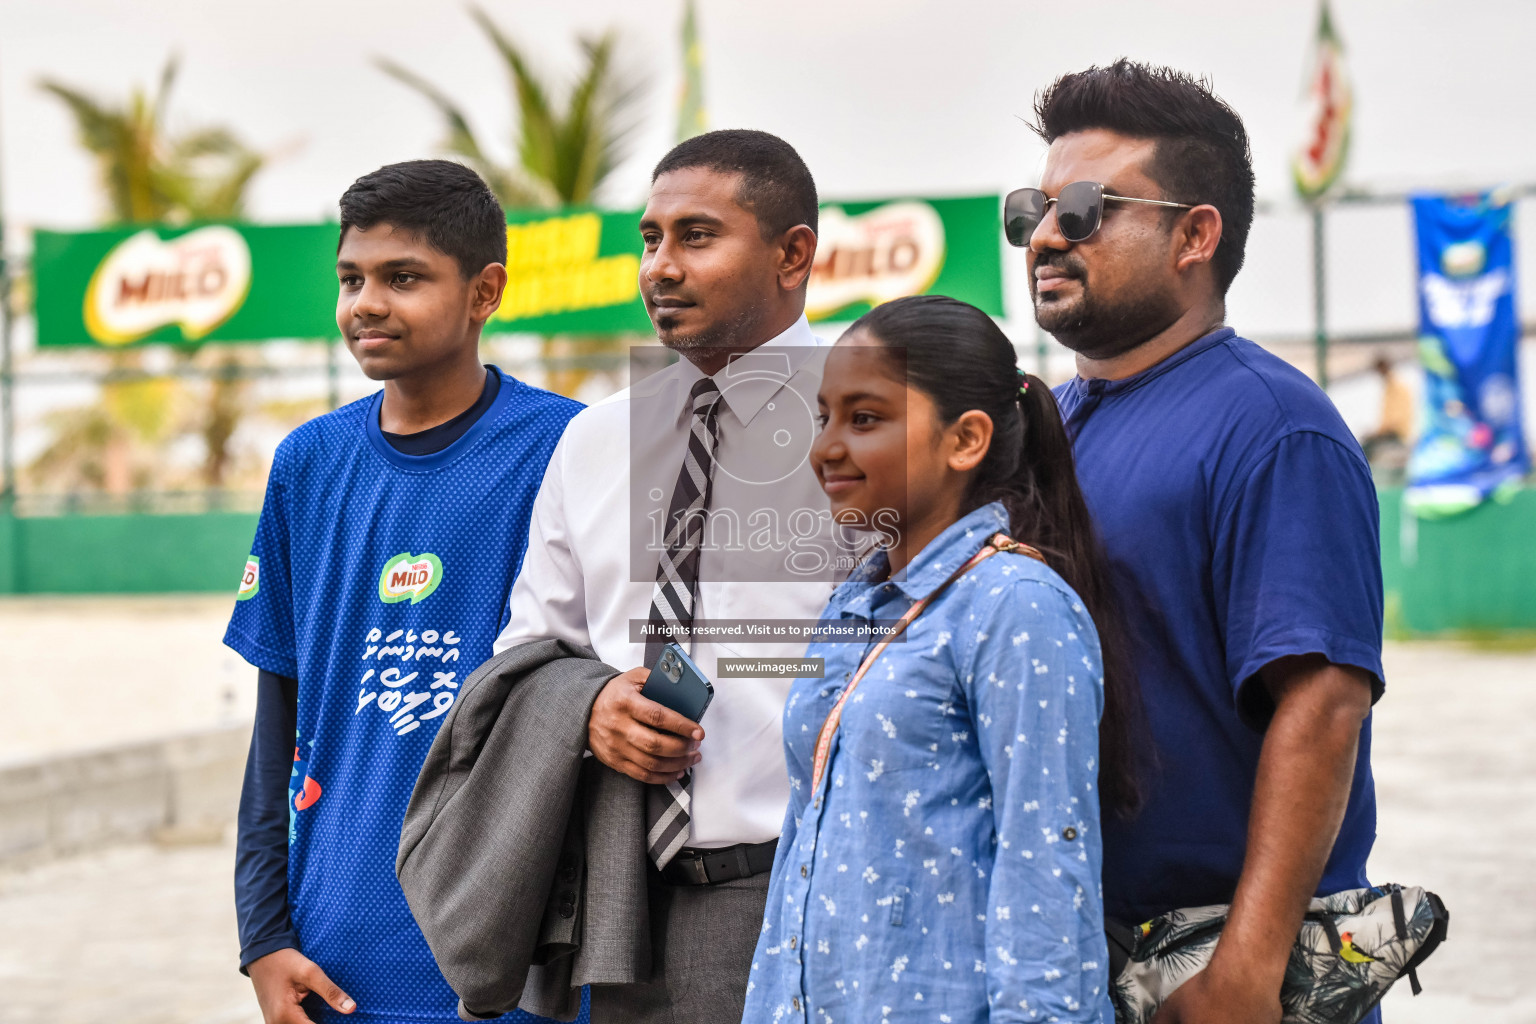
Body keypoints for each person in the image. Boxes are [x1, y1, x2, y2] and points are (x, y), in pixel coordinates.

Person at [1011, 61, 1385, 1024]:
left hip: (1223, 969)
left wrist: (1249, 968)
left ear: (1195, 234)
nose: (1047, 237)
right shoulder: (1046, 422)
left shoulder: (1271, 426)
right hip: (1076, 956)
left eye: (1086, 209)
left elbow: (1322, 701)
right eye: (1031, 211)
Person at [492, 129, 840, 1024]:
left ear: (793, 253)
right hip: (622, 908)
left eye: (696, 236)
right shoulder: (594, 439)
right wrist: (594, 705)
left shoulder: (875, 416)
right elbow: (529, 647)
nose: (660, 266)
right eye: (650, 239)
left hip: (812, 890)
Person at [226, 160, 582, 1024]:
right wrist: (263, 938)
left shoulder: (567, 449)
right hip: (336, 948)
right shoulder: (307, 464)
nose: (366, 303)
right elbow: (278, 723)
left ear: (484, 291)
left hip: (511, 948)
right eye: (352, 278)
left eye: (403, 278)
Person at [742, 295, 1142, 1024]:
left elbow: (1047, 867)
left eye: (865, 419)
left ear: (965, 440)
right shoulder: (855, 603)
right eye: (823, 417)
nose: (827, 448)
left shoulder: (1015, 606)